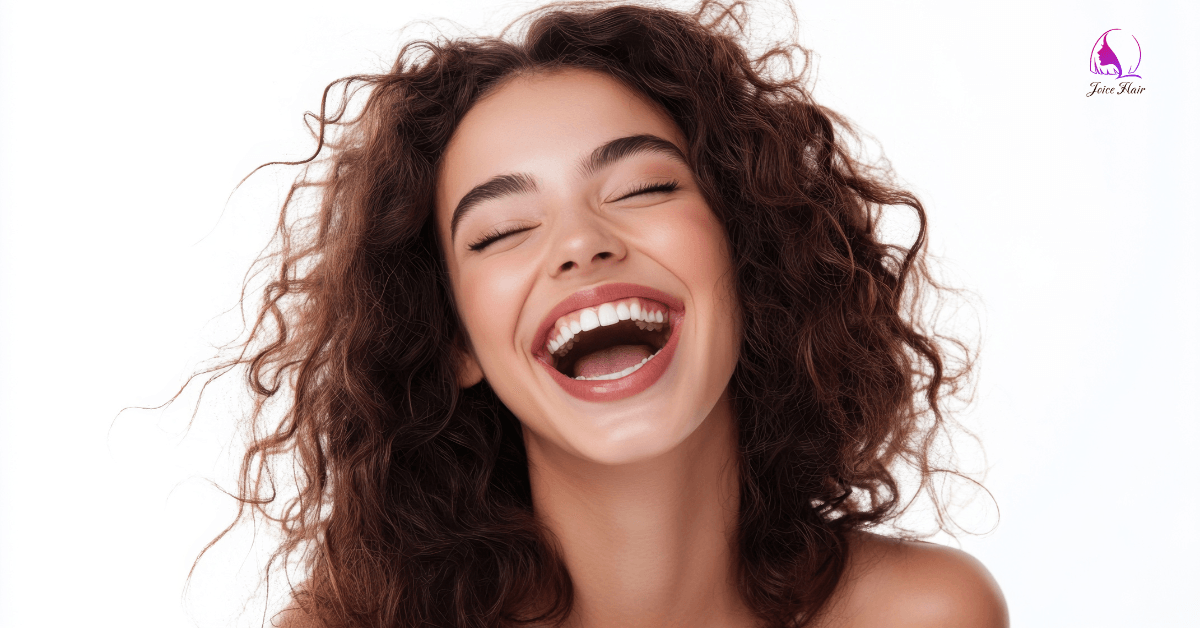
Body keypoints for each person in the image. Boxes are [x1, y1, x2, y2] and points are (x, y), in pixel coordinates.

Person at [207, 1, 1007, 626]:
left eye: (643, 188)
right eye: (503, 231)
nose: (581, 244)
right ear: (453, 339)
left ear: (747, 253)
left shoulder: (927, 615)